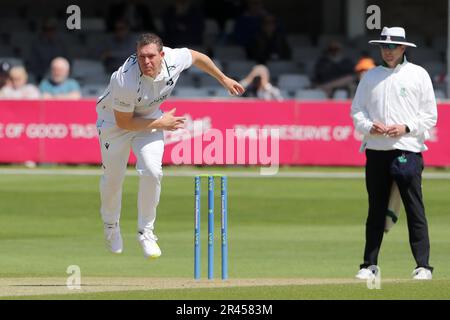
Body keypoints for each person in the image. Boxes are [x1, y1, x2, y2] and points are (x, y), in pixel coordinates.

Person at [96, 33, 244, 259]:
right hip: (114, 124)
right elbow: (125, 122)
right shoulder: (125, 79)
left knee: (153, 171)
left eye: (151, 56)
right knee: (113, 179)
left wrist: (223, 79)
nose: (146, 62)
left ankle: (146, 231)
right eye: (141, 56)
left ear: (162, 55)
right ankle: (110, 226)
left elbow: (197, 57)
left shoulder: (174, 59)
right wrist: (162, 123)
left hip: (151, 119)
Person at [351, 27, 437, 280]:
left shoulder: (418, 75)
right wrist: (370, 127)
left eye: (393, 47)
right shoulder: (370, 76)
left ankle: (423, 266)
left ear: (403, 49)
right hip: (377, 151)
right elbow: (357, 111)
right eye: (384, 47)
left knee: (414, 208)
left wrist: (405, 127)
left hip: (408, 150)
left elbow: (430, 115)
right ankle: (369, 265)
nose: (388, 52)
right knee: (375, 209)